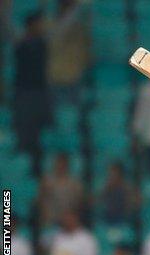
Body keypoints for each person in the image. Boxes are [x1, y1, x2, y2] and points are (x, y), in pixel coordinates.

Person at [13, 10, 51, 176]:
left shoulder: (43, 42)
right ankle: (22, 172)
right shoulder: (20, 42)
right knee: (25, 132)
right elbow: (7, 27)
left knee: (41, 133)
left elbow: (61, 29)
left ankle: (37, 168)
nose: (42, 26)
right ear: (31, 25)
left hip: (40, 93)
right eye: (39, 23)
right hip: (24, 94)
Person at [47, 0, 91, 105]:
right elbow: (58, 35)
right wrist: (76, 7)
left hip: (74, 77)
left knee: (72, 113)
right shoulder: (51, 25)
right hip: (56, 77)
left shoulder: (80, 27)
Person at [37, 153, 84, 226]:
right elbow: (40, 199)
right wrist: (45, 214)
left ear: (67, 166)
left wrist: (70, 216)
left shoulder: (75, 183)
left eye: (63, 165)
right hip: (50, 218)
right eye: (58, 164)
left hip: (68, 218)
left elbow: (79, 202)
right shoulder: (47, 181)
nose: (60, 167)